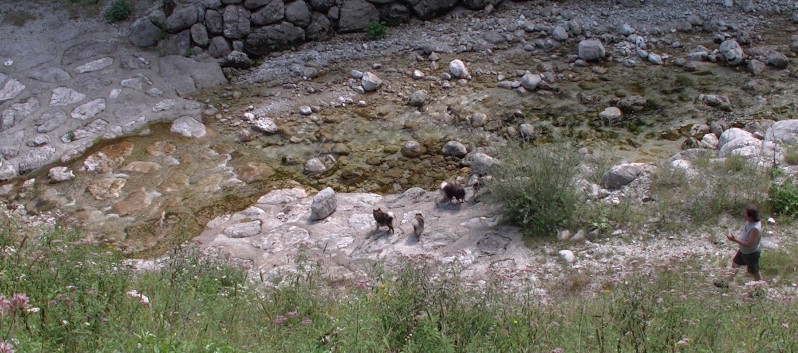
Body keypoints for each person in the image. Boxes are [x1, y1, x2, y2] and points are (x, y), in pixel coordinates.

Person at [716, 205, 764, 287]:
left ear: (750, 216)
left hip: (750, 253)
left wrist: (735, 240)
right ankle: (725, 283)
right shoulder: (749, 222)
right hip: (743, 251)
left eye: (745, 213)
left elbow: (749, 244)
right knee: (735, 264)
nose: (743, 214)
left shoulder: (755, 228)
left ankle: (761, 288)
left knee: (755, 272)